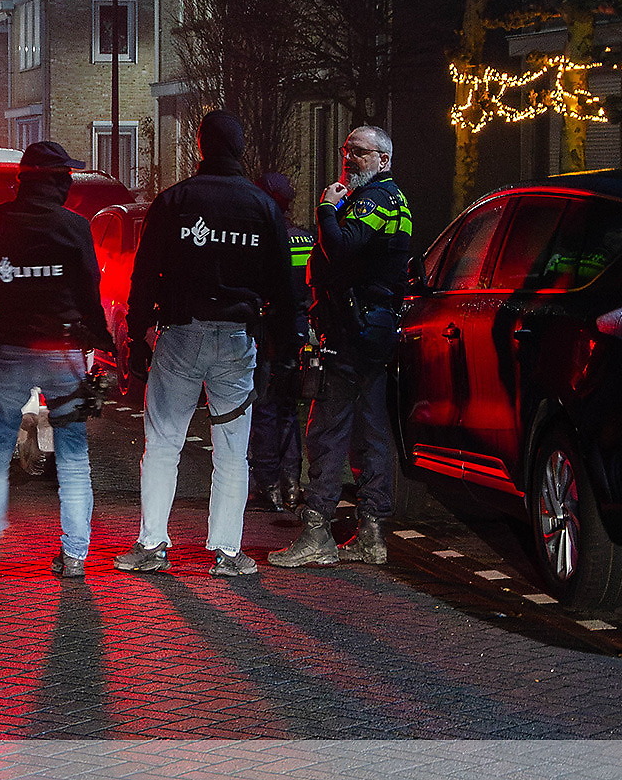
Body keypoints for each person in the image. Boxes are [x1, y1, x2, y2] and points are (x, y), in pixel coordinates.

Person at [114, 110, 295, 577]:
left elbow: (144, 274)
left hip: (182, 334)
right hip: (237, 339)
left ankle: (152, 543)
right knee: (233, 447)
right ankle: (229, 552)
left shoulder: (175, 201)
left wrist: (136, 335)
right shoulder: (262, 207)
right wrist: (284, 348)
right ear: (240, 149)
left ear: (199, 146)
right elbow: (284, 284)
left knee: (163, 442)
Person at [0, 141, 114, 577]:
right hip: (62, 351)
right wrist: (101, 336)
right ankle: (75, 555)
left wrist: (11, 282)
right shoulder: (74, 226)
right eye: (65, 176)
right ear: (55, 181)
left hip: (9, 346)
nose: (69, 182)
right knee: (72, 451)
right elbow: (90, 289)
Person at [269, 125, 411, 569]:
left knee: (327, 429)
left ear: (383, 160)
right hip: (372, 328)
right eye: (347, 151)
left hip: (352, 333)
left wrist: (327, 210)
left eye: (361, 154)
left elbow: (341, 248)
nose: (350, 159)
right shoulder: (394, 200)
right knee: (370, 430)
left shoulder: (375, 200)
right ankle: (371, 532)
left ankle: (318, 532)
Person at [249, 172, 314, 512]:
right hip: (300, 332)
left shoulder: (264, 241)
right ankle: (292, 483)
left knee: (265, 409)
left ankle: (267, 484)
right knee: (289, 410)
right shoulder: (305, 239)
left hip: (269, 332)